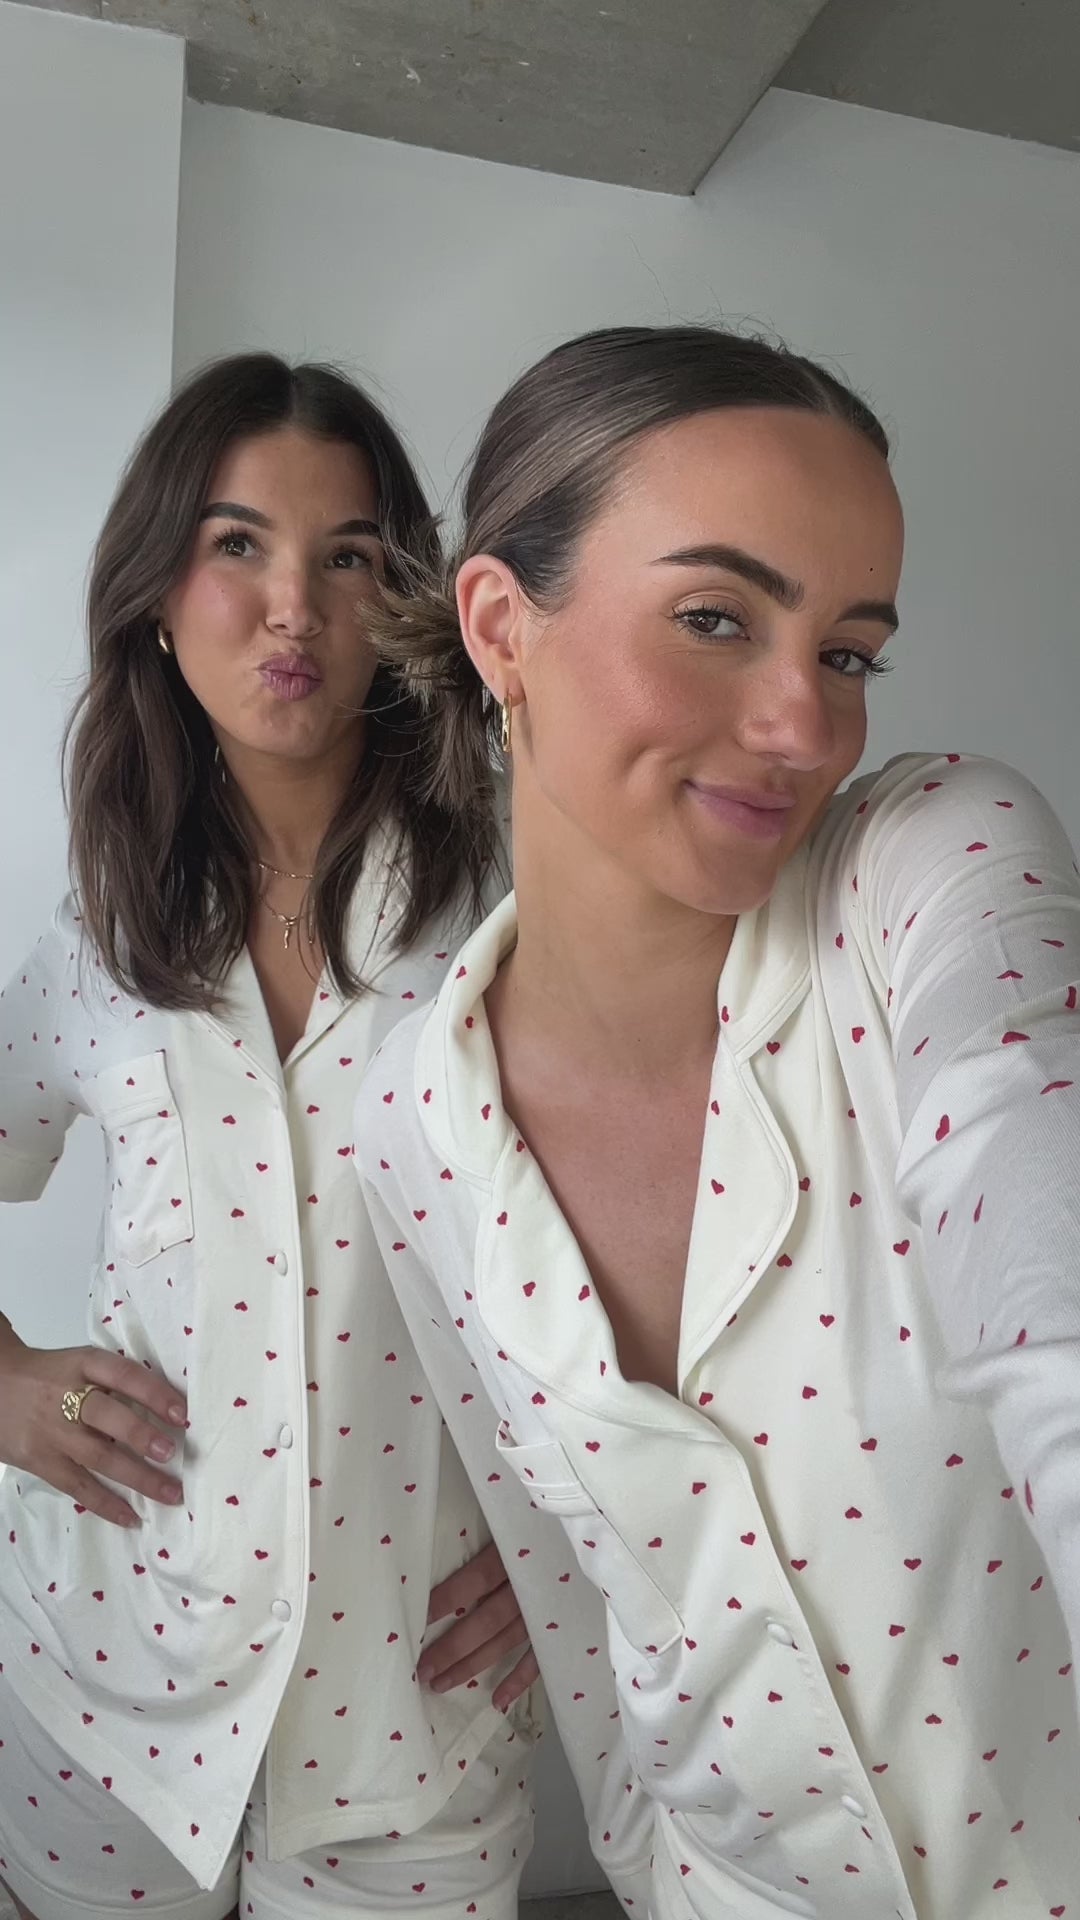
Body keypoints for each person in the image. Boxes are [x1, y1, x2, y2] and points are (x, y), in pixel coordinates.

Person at [354, 324, 1080, 1920]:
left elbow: (1029, 1185)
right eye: (714, 619)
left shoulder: (931, 868)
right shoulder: (409, 1122)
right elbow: (584, 1598)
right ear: (502, 625)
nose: (806, 726)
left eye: (849, 653)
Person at [0, 354, 541, 1920]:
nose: (292, 605)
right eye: (236, 543)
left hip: (415, 1724)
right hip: (107, 1692)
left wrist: (575, 1538)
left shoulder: (518, 913)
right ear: (159, 597)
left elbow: (671, 1255)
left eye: (348, 555)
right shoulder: (101, 940)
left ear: (407, 606)